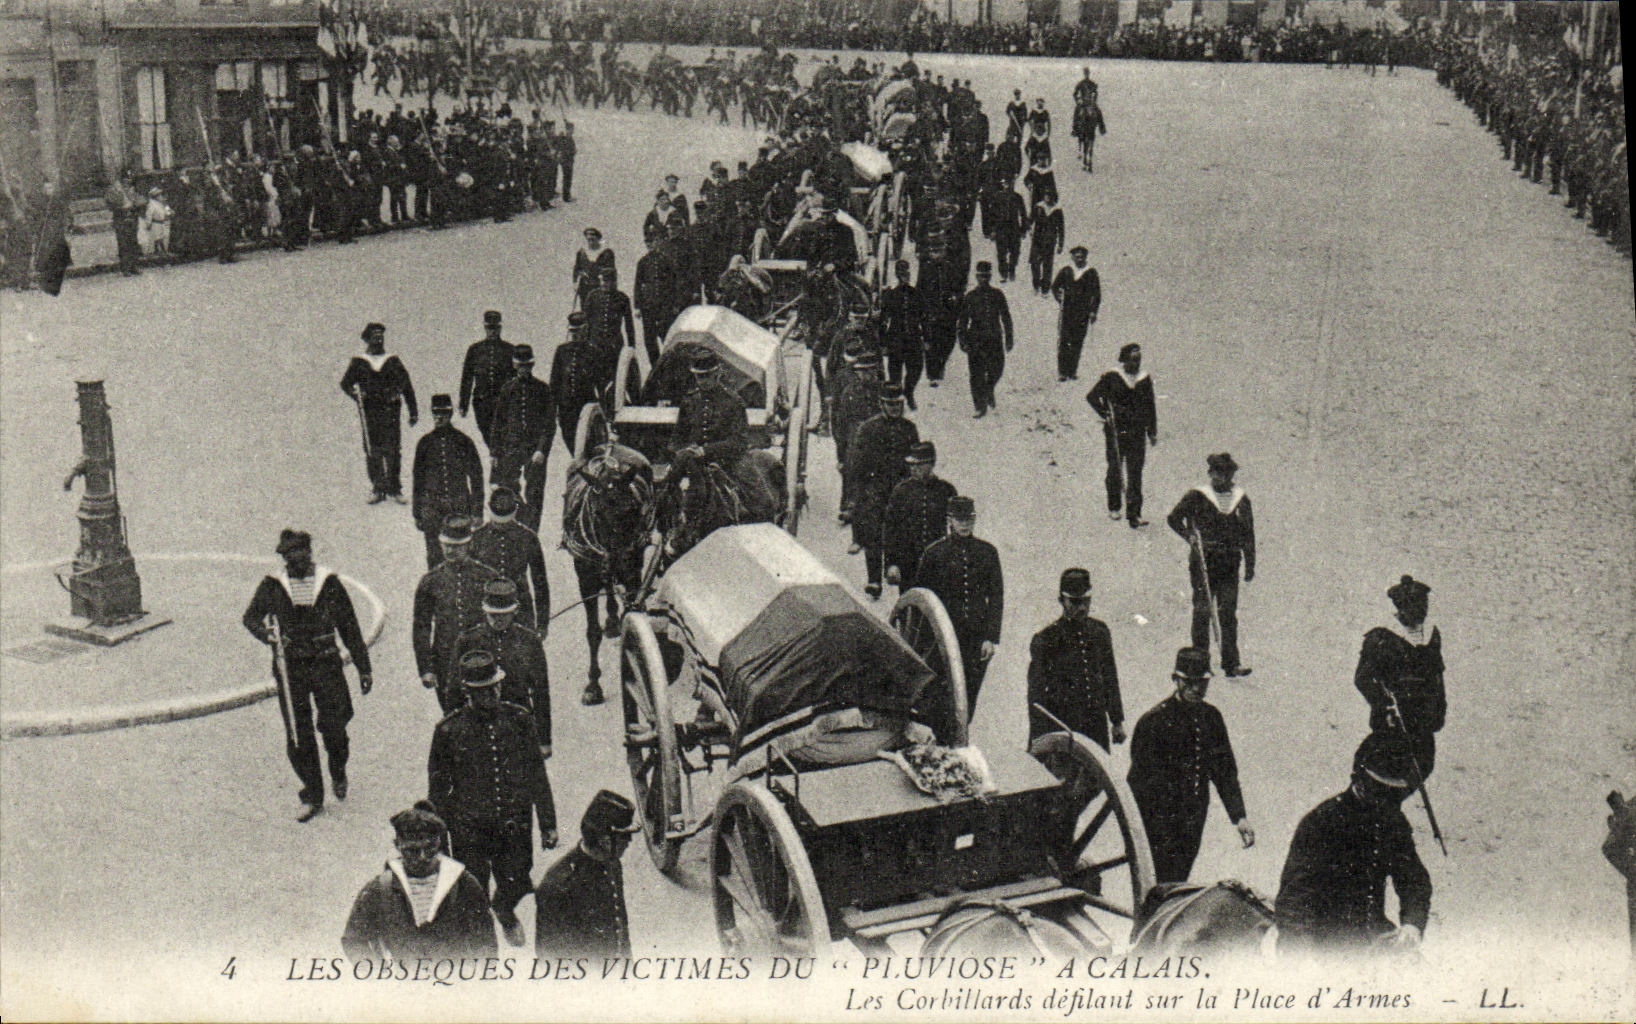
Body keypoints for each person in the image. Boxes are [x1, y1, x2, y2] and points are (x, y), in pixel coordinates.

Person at [428, 651, 558, 948]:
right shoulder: (448, 731)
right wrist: (441, 843)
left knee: (517, 879)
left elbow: (537, 775)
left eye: (494, 687)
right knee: (473, 891)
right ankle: (484, 944)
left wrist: (548, 824)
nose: (491, 695)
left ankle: (504, 910)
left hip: (513, 824)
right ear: (468, 693)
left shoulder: (519, 720)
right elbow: (438, 793)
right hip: (470, 830)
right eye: (483, 691)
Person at [242, 529, 373, 822]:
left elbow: (349, 627)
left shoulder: (329, 584)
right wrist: (268, 635)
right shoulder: (273, 585)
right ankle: (313, 794)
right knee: (298, 734)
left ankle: (338, 768)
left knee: (335, 725)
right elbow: (250, 617)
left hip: (326, 664)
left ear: (309, 553)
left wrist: (364, 668)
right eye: (288, 557)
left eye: (299, 554)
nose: (294, 561)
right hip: (291, 670)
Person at [1275, 733, 1433, 959]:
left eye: (1393, 795)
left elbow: (1414, 881)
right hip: (1323, 944)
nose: (1384, 802)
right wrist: (1302, 959)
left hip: (1373, 936)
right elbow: (1294, 903)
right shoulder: (1322, 822)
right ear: (1358, 778)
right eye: (1378, 790)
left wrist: (1412, 925)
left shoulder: (1393, 821)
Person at [1127, 647, 1254, 884]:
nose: (1196, 689)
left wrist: (1239, 817)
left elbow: (1225, 772)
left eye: (1202, 683)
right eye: (1189, 682)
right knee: (1162, 881)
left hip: (1193, 816)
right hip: (1159, 821)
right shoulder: (1153, 721)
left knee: (1180, 877)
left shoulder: (1211, 718)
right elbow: (1137, 782)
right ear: (1175, 680)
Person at [341, 801, 497, 961]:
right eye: (413, 851)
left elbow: (486, 943)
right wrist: (376, 971)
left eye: (430, 849)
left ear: (439, 843)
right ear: (398, 845)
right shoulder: (380, 889)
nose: (422, 858)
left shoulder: (463, 884)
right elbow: (353, 940)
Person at [1167, 453, 1255, 676]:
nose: (1217, 477)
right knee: (1202, 611)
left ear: (1230, 476)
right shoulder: (1197, 496)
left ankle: (1231, 664)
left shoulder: (1241, 499)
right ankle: (1200, 662)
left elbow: (1248, 534)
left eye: (1222, 474)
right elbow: (1173, 518)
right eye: (1214, 472)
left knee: (1228, 612)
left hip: (1230, 562)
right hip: (1204, 562)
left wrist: (1250, 564)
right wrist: (1189, 536)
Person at [916, 496, 1003, 716]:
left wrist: (990, 638)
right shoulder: (933, 554)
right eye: (959, 520)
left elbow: (996, 597)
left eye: (969, 520)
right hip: (943, 637)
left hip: (975, 638)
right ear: (949, 521)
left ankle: (962, 731)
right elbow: (922, 599)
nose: (965, 525)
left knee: (969, 695)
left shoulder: (988, 553)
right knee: (940, 696)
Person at [1354, 575, 1446, 780]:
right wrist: (1386, 706)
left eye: (1424, 605)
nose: (1422, 611)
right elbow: (1363, 678)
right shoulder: (1381, 638)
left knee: (1420, 770)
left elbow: (1437, 677)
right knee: (1385, 775)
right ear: (1401, 607)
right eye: (1415, 605)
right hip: (1393, 725)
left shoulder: (1431, 637)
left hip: (1422, 724)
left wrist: (1439, 710)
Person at [534, 789, 641, 958]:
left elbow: (620, 931)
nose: (629, 842)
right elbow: (550, 957)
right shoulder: (558, 885)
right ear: (604, 840)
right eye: (624, 836)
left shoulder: (612, 863)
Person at [413, 515, 503, 713]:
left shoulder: (488, 577)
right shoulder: (430, 582)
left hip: (484, 659)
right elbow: (421, 626)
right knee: (452, 715)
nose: (450, 551)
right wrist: (426, 668)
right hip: (445, 662)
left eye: (457, 546)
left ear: (469, 545)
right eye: (446, 545)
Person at [1026, 568, 1122, 751]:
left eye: (1086, 601)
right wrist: (1038, 742)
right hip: (1064, 729)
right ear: (1062, 600)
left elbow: (1110, 677)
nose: (1082, 608)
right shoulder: (1046, 639)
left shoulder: (1100, 632)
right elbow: (1036, 698)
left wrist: (1117, 722)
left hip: (1096, 727)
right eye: (1075, 602)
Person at [454, 579, 552, 752]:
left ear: (515, 611)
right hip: (477, 727)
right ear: (484, 611)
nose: (498, 620)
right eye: (493, 614)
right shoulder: (467, 641)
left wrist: (544, 740)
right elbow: (454, 693)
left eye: (504, 614)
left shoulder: (529, 641)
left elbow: (541, 693)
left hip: (520, 725)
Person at [846, 384, 919, 599]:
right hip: (875, 488)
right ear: (882, 405)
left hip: (900, 488)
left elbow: (915, 459)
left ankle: (893, 570)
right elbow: (858, 462)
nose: (895, 408)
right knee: (874, 535)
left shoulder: (909, 429)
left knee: (900, 533)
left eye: (898, 404)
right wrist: (862, 490)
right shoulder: (869, 428)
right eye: (890, 404)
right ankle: (874, 580)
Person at [340, 322, 419, 505]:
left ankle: (395, 488)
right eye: (375, 337)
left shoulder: (392, 361)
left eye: (381, 337)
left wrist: (413, 412)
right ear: (368, 339)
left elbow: (406, 385)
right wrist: (357, 395)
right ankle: (378, 487)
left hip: (391, 410)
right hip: (370, 412)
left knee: (393, 449)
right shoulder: (359, 362)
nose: (379, 340)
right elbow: (345, 383)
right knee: (372, 448)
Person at [1086, 344, 1157, 528]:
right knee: (1115, 468)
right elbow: (1092, 396)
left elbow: (1150, 406)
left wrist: (1152, 431)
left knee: (1135, 472)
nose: (1136, 364)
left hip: (1137, 431)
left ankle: (1135, 513)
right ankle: (1114, 506)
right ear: (1124, 360)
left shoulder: (1144, 379)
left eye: (1138, 360)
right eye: (1133, 360)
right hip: (1116, 431)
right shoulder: (1112, 377)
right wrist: (1105, 414)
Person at [412, 394, 485, 570]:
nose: (439, 417)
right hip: (432, 508)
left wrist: (477, 511)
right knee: (434, 556)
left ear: (450, 414)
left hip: (458, 506)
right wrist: (417, 513)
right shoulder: (425, 443)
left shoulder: (463, 442)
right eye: (436, 413)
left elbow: (476, 477)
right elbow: (418, 480)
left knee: (462, 553)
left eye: (443, 413)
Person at [489, 344, 556, 532]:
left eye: (527, 366)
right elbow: (498, 423)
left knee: (535, 492)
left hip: (534, 450)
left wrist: (541, 450)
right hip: (511, 448)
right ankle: (515, 526)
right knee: (508, 489)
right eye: (520, 366)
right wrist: (494, 452)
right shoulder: (507, 389)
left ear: (532, 366)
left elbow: (549, 424)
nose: (523, 370)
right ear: (514, 366)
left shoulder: (542, 389)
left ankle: (532, 531)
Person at [471, 487, 550, 631]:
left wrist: (542, 624)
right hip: (485, 613)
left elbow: (540, 583)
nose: (501, 526)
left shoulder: (529, 538)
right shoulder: (477, 538)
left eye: (506, 522)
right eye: (497, 521)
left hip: (520, 610)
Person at [884, 441, 957, 591]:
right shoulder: (901, 492)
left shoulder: (946, 490)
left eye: (919, 464)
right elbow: (891, 530)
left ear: (931, 464)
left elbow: (956, 528)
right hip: (908, 563)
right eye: (912, 465)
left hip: (938, 563)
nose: (914, 468)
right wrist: (891, 564)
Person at [954, 262, 1013, 419]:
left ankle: (989, 389)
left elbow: (1006, 317)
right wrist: (962, 340)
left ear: (990, 277)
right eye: (981, 276)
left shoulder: (997, 295)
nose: (984, 279)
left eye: (986, 276)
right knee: (976, 375)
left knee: (997, 369)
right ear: (976, 277)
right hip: (976, 341)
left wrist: (1009, 338)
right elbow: (962, 321)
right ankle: (979, 406)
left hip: (994, 338)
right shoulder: (970, 297)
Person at [459, 310, 517, 450]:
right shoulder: (475, 350)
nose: (492, 331)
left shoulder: (510, 350)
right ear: (485, 328)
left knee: (503, 436)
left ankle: (498, 459)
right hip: (482, 403)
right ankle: (496, 457)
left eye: (495, 328)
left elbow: (516, 379)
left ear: (500, 328)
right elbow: (467, 378)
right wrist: (463, 404)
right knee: (488, 436)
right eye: (490, 328)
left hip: (503, 403)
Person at [879, 260, 926, 410]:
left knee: (916, 369)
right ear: (897, 275)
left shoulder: (916, 294)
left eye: (906, 274)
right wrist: (883, 343)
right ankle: (896, 400)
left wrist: (927, 338)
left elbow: (924, 318)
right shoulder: (890, 295)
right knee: (895, 374)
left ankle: (909, 392)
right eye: (901, 274)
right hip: (896, 340)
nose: (904, 277)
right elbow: (883, 321)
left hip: (913, 339)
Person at [1050, 245, 1100, 381]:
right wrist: (1059, 297)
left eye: (1082, 257)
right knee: (1064, 341)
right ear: (1072, 257)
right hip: (1067, 311)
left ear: (1085, 257)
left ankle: (1072, 371)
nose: (1079, 259)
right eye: (1077, 257)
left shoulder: (1091, 273)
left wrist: (1093, 311)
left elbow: (1096, 294)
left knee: (1077, 341)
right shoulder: (1066, 271)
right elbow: (1055, 286)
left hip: (1082, 313)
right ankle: (1062, 372)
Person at [104, 169, 143, 277]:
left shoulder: (132, 190)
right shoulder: (114, 190)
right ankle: (125, 268)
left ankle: (134, 265)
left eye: (129, 179)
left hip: (132, 216)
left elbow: (140, 201)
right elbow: (111, 203)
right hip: (121, 217)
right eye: (126, 179)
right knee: (123, 243)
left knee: (133, 242)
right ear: (121, 180)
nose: (128, 181)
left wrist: (135, 202)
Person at [989, 187, 1028, 284]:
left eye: (1010, 182)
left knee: (1015, 251)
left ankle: (1012, 269)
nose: (1007, 186)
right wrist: (992, 230)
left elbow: (1023, 213)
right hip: (1001, 229)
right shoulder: (997, 197)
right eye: (1005, 183)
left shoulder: (1017, 197)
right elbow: (991, 215)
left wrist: (1023, 229)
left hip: (1014, 228)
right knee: (1001, 253)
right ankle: (1003, 274)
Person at [1028, 197, 1065, 295]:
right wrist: (1029, 229)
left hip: (1050, 242)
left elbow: (1061, 228)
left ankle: (1045, 288)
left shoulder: (1057, 210)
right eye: (1046, 195)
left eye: (1050, 195)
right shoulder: (1038, 207)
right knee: (1035, 263)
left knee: (1047, 265)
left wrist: (1060, 244)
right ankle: (1036, 285)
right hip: (1037, 240)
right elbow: (1030, 220)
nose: (1048, 198)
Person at [572, 227, 614, 306]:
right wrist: (575, 282)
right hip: (585, 287)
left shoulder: (607, 253)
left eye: (592, 237)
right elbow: (577, 269)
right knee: (586, 308)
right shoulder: (581, 253)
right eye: (588, 238)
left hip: (601, 287)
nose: (590, 240)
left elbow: (611, 272)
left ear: (598, 238)